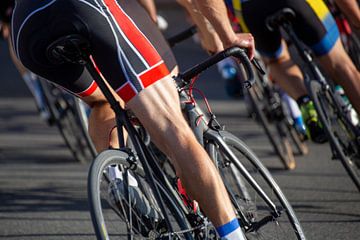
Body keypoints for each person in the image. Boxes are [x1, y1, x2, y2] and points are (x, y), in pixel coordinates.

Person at [11, 0, 255, 239]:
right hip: (86, 7)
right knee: (171, 125)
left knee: (105, 100)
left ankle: (120, 179)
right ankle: (232, 236)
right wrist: (227, 36)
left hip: (26, 28)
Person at [189, 0, 360, 142]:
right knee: (340, 64)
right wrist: (355, 17)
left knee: (277, 61)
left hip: (250, 9)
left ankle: (305, 102)